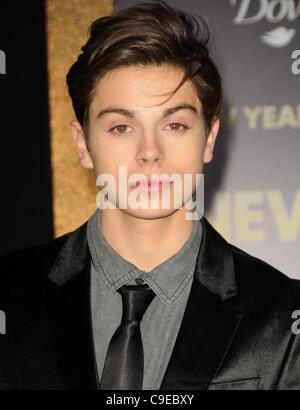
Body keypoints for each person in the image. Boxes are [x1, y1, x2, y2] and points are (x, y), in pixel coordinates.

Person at [0, 1, 300, 390]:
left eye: (174, 124)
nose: (150, 151)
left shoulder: (284, 318)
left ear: (208, 138)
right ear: (83, 143)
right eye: (121, 128)